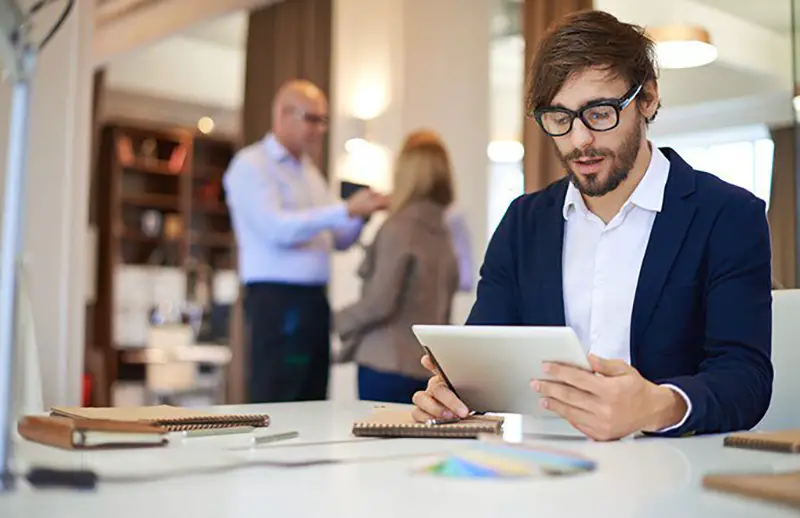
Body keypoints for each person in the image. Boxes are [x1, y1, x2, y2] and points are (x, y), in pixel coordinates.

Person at [411, 10, 773, 440]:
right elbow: (483, 358)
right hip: (544, 469)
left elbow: (745, 379)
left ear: (648, 99)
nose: (579, 141)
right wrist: (451, 391)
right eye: (559, 119)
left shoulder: (727, 216)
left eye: (599, 113)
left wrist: (656, 405)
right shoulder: (523, 223)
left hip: (672, 474)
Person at [224, 79, 387, 403]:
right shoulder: (252, 165)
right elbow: (276, 229)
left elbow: (336, 240)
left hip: (313, 301)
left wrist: (360, 215)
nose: (319, 129)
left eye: (323, 120)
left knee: (313, 395)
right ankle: (274, 458)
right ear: (283, 114)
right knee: (281, 395)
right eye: (311, 118)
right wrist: (343, 209)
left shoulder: (309, 172)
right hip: (278, 301)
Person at [334, 130, 460, 403]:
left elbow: (380, 302)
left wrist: (333, 321)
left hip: (386, 364)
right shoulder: (445, 232)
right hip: (426, 367)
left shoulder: (399, 227)